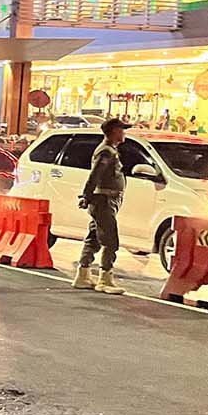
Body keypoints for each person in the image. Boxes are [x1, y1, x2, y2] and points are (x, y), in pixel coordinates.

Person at [74, 117, 129, 296]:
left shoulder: (110, 150)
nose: (124, 133)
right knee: (110, 241)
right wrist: (86, 196)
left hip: (105, 200)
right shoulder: (106, 151)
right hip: (103, 200)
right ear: (113, 132)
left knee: (94, 238)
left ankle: (83, 275)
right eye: (121, 130)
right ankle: (105, 279)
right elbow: (95, 175)